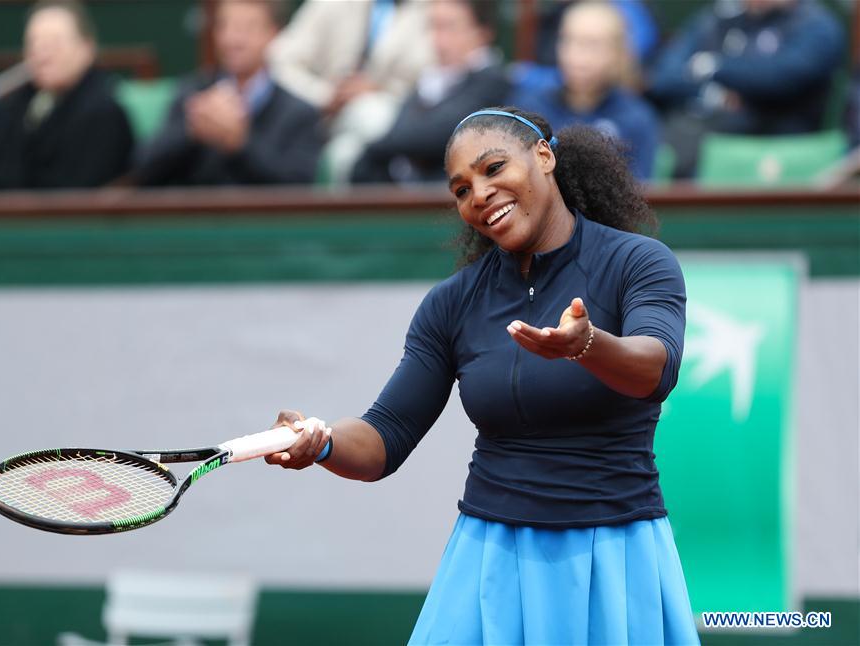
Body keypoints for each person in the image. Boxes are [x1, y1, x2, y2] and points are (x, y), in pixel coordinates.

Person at [264, 107, 698, 644]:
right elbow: (385, 436)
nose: (480, 194)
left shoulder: (640, 262)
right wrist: (322, 440)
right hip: (489, 555)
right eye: (461, 188)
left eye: (494, 169)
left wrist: (587, 344)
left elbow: (654, 369)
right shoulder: (451, 303)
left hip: (612, 552)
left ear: (544, 156)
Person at [647, 0, 846, 178]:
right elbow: (664, 77)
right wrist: (715, 94)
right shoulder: (719, 18)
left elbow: (781, 78)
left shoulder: (815, 24)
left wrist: (716, 67)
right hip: (703, 127)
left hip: (780, 137)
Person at [135, 0, 321, 186]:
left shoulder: (299, 113)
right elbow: (143, 169)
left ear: (274, 33)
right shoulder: (192, 95)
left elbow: (298, 187)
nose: (233, 39)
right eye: (224, 26)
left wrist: (240, 145)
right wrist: (191, 131)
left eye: (248, 28)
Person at [268, 0, 433, 183]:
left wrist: (379, 92)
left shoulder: (431, 9)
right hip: (321, 121)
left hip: (396, 124)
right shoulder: (330, 5)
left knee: (354, 141)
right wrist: (326, 95)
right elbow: (280, 60)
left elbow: (439, 81)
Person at [0, 0, 133, 190]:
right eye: (34, 44)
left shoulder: (104, 112)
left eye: (54, 43)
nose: (42, 54)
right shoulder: (11, 106)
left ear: (87, 48)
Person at [350, 0, 509, 184]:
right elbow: (400, 133)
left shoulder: (491, 80)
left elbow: (439, 134)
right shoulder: (428, 81)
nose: (439, 39)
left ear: (483, 33)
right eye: (434, 26)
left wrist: (376, 147)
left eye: (450, 27)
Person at [512, 1, 659, 180]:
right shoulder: (529, 107)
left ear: (617, 53)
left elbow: (637, 193)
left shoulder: (636, 119)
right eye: (568, 40)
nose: (577, 56)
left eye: (592, 44)